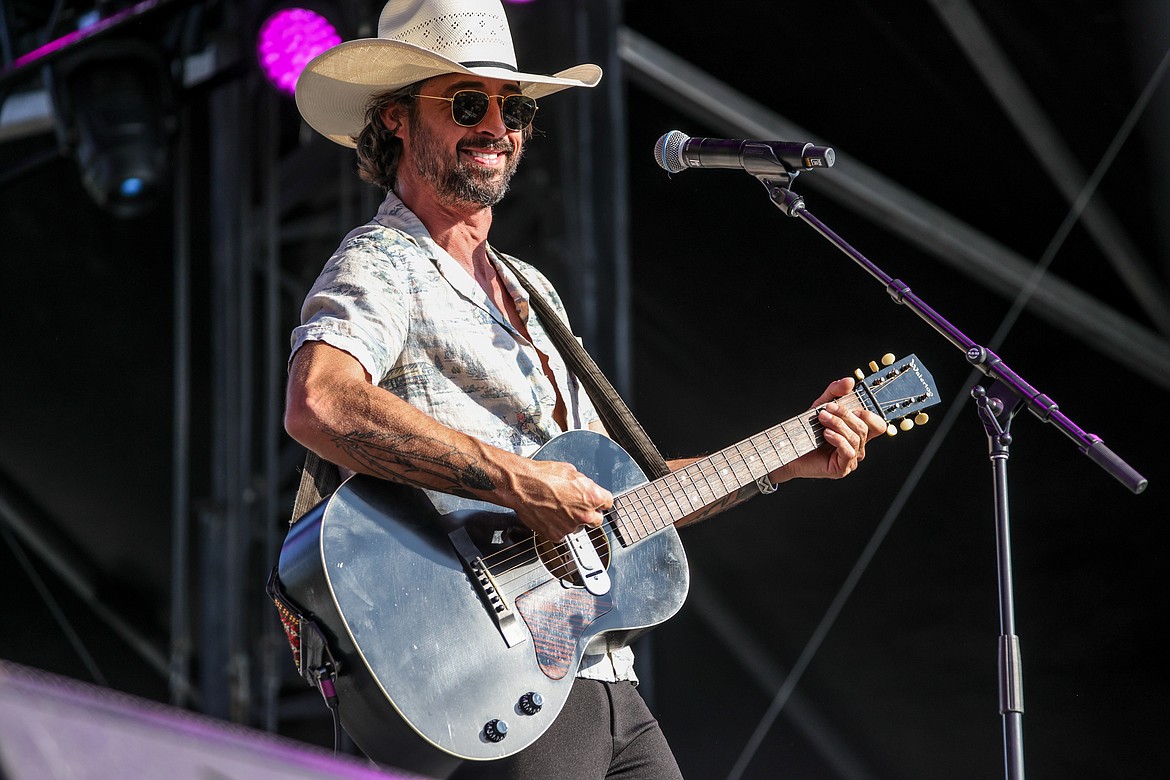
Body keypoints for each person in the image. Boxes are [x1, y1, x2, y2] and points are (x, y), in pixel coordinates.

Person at [283, 1, 887, 778]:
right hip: (486, 671)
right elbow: (322, 401)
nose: (497, 126)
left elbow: (622, 499)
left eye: (516, 107)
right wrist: (518, 480)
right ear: (397, 119)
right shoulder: (381, 259)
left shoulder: (533, 292)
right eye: (469, 103)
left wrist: (786, 456)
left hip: (599, 674)